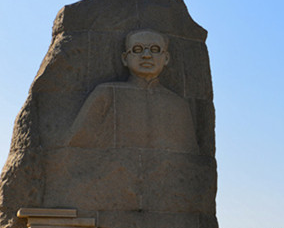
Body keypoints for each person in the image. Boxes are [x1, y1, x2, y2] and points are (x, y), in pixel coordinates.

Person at [66, 29, 199, 154]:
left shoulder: (178, 105)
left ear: (166, 58)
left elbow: (190, 156)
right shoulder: (107, 93)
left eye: (155, 49)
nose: (146, 56)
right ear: (125, 58)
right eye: (137, 49)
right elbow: (76, 145)